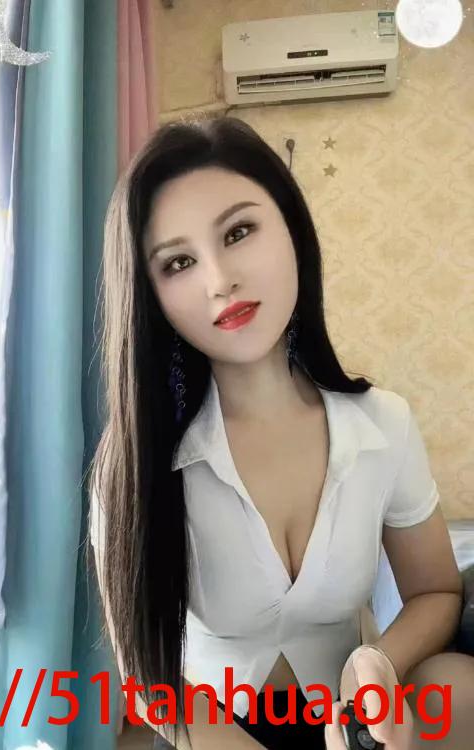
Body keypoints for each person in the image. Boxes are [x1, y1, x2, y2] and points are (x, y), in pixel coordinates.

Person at [88, 116, 474, 750]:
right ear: (150, 295)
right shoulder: (132, 464)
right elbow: (147, 677)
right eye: (179, 262)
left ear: (292, 228)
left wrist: (378, 662)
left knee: (457, 684)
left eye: (238, 232)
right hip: (211, 731)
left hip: (351, 722)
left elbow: (434, 590)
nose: (220, 281)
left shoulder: (384, 424)